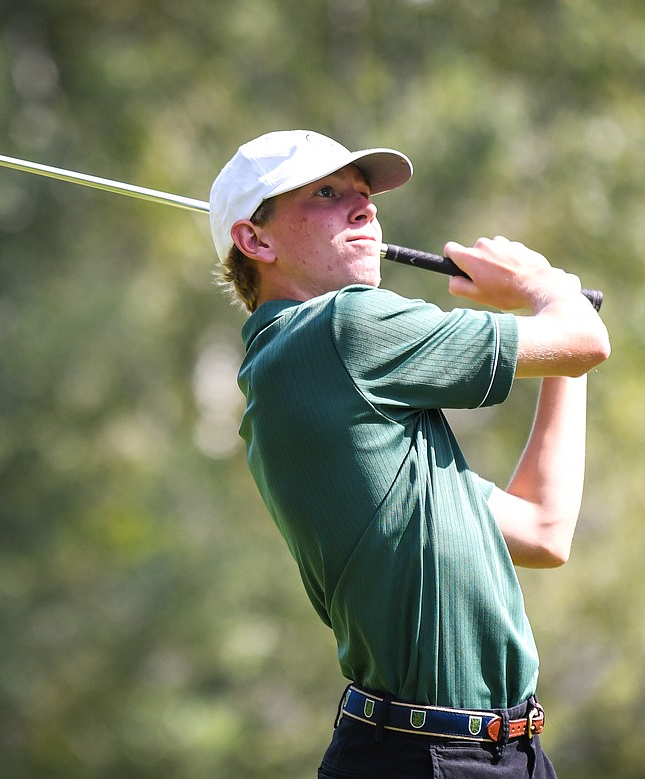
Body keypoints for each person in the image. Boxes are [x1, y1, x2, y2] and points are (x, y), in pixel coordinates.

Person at [208, 130, 610, 778]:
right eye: (328, 194)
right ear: (255, 241)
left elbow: (542, 529)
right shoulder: (341, 330)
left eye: (365, 196)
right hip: (424, 756)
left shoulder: (325, 380)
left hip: (503, 752)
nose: (363, 208)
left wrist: (560, 332)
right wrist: (548, 289)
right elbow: (586, 339)